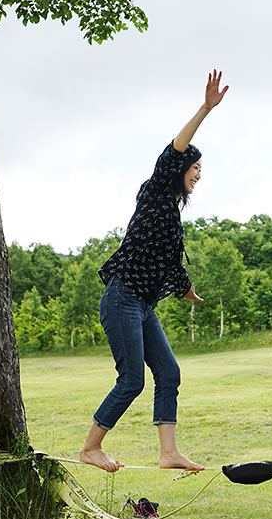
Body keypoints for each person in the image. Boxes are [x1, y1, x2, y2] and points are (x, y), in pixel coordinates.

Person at [79, 70, 229, 473]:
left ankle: (169, 453)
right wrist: (205, 109)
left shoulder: (170, 215)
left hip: (142, 305)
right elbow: (174, 149)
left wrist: (186, 288)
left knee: (169, 372)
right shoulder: (157, 190)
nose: (198, 173)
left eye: (200, 169)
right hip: (122, 296)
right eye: (195, 167)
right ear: (178, 168)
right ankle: (91, 448)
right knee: (131, 380)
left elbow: (169, 259)